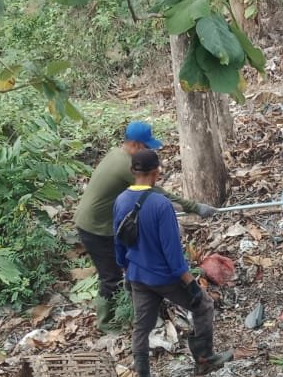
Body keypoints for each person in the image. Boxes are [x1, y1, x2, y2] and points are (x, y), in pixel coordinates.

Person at [112, 149, 231, 377]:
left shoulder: (120, 201)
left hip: (137, 275)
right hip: (164, 276)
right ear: (156, 172)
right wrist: (192, 286)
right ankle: (204, 360)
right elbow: (173, 256)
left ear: (133, 172)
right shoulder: (161, 205)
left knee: (141, 328)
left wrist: (126, 270)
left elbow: (118, 243)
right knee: (204, 306)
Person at [73, 121, 211, 326]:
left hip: (101, 223)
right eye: (147, 147)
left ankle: (143, 308)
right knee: (110, 277)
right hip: (96, 228)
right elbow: (156, 192)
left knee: (132, 265)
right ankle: (105, 323)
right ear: (136, 145)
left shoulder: (117, 155)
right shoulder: (125, 166)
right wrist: (195, 207)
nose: (149, 151)